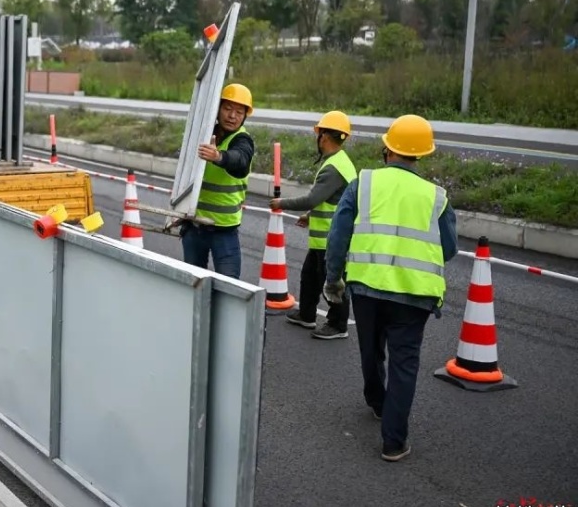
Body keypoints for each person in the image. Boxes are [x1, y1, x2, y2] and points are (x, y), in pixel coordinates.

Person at [323, 114, 458, 462]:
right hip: (414, 295)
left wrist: (333, 277)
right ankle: (393, 442)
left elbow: (338, 236)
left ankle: (377, 401)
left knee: (370, 348)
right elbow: (449, 247)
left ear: (387, 148)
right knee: (405, 363)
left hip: (366, 288)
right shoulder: (435, 196)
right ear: (421, 155)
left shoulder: (364, 184)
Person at [270, 110, 357, 340]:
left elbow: (312, 198)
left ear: (325, 137)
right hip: (324, 238)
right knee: (310, 276)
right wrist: (310, 215)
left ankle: (338, 325)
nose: (317, 139)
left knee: (332, 282)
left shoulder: (333, 167)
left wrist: (281, 203)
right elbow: (333, 200)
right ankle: (307, 314)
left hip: (332, 238)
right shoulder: (339, 162)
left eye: (318, 134)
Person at [180, 83, 256, 279]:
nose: (232, 116)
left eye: (239, 112)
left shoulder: (243, 140)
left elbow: (240, 160)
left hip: (224, 230)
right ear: (218, 108)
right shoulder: (205, 132)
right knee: (194, 284)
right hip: (194, 224)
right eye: (228, 108)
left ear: (245, 115)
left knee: (230, 289)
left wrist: (219, 157)